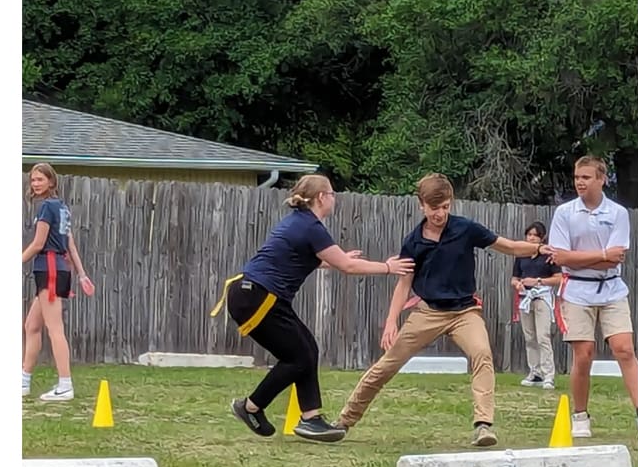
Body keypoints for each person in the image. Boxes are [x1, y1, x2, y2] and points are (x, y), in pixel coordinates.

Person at [335, 174, 543, 447]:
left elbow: (509, 246)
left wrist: (539, 249)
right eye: (435, 208)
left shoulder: (465, 229)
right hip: (427, 313)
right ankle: (343, 422)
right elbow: (404, 284)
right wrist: (391, 321)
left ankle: (483, 426)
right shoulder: (413, 242)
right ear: (422, 204)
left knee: (482, 354)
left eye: (445, 207)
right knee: (385, 366)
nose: (440, 214)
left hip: (465, 313)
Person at [214, 174, 413, 442]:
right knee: (298, 356)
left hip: (256, 295)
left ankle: (310, 419)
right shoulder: (311, 227)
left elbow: (308, 259)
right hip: (258, 298)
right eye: (332, 193)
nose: (334, 198)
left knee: (307, 349)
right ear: (321, 197)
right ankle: (252, 407)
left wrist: (339, 259)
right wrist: (388, 267)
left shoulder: (301, 223)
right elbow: (348, 267)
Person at [543, 155, 637, 437]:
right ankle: (580, 415)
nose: (580, 182)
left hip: (612, 288)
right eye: (577, 178)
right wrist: (601, 254)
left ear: (601, 179)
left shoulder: (618, 213)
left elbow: (616, 259)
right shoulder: (565, 213)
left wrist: (591, 258)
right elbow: (560, 257)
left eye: (586, 177)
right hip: (577, 290)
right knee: (583, 355)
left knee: (625, 349)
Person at [21, 163, 95, 401]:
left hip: (50, 270)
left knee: (55, 329)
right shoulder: (61, 207)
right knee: (32, 326)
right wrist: (82, 274)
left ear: (51, 182)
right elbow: (70, 243)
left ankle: (65, 385)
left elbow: (38, 244)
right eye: (33, 180)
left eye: (40, 179)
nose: (35, 183)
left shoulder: (47, 208)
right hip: (58, 269)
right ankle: (23, 381)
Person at [510, 221, 563, 388]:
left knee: (543, 337)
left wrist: (538, 281)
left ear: (542, 238)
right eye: (529, 234)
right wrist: (517, 284)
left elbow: (559, 278)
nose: (531, 238)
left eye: (535, 235)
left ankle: (549, 375)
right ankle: (535, 373)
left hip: (542, 298)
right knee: (530, 337)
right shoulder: (521, 255)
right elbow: (514, 278)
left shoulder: (548, 256)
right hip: (525, 298)